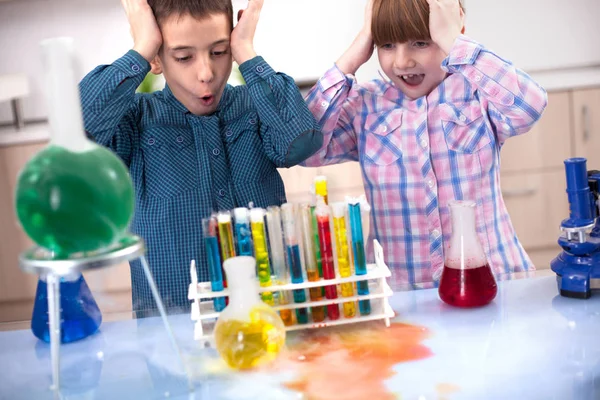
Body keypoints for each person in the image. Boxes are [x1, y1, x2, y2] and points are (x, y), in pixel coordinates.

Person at [79, 0, 322, 315]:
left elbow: (300, 140)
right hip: (174, 338)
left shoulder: (254, 107)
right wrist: (142, 48)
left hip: (272, 321)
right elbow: (79, 129)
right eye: (183, 57)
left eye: (219, 52)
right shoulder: (136, 120)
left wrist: (246, 50)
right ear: (157, 58)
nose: (206, 73)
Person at [301, 0, 548, 289]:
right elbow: (306, 147)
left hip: (493, 285)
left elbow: (530, 106)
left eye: (420, 42)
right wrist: (351, 59)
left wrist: (456, 43)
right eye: (387, 45)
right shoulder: (365, 104)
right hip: (401, 298)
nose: (402, 62)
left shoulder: (477, 92)